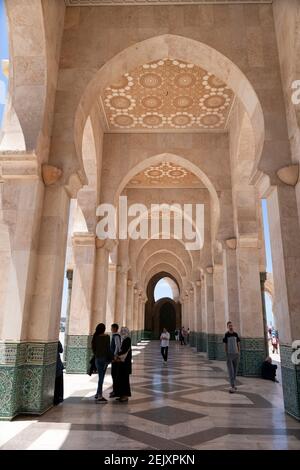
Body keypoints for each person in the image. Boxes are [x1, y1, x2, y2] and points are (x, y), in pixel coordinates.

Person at [91, 323, 112, 403]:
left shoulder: (95, 337)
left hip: (97, 359)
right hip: (104, 360)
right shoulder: (107, 337)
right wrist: (111, 358)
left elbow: (93, 349)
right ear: (104, 329)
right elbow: (108, 349)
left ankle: (97, 393)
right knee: (101, 377)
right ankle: (100, 395)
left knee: (100, 376)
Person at [114, 327, 132, 402]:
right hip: (123, 363)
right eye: (121, 331)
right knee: (121, 379)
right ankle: (121, 395)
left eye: (123, 331)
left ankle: (125, 396)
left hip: (125, 364)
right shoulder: (125, 340)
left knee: (124, 380)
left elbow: (124, 351)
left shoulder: (127, 340)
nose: (122, 332)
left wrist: (117, 355)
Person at [223, 321, 241, 393]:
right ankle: (232, 386)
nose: (231, 327)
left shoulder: (236, 334)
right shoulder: (226, 335)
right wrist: (226, 353)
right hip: (229, 355)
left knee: (235, 370)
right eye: (229, 326)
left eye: (231, 325)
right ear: (227, 327)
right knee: (231, 371)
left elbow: (238, 343)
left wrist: (239, 351)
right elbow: (225, 345)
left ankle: (233, 385)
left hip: (236, 354)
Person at [110, 323, 121, 398]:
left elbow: (118, 346)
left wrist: (114, 355)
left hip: (115, 358)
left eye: (112, 328)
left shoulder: (116, 336)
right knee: (113, 374)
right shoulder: (114, 335)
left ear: (115, 328)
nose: (111, 329)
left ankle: (116, 391)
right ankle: (115, 390)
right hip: (114, 357)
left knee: (114, 374)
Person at [54, 341, 64, 405]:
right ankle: (57, 399)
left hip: (57, 366)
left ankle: (56, 399)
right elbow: (61, 350)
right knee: (58, 383)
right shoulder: (57, 341)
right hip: (58, 366)